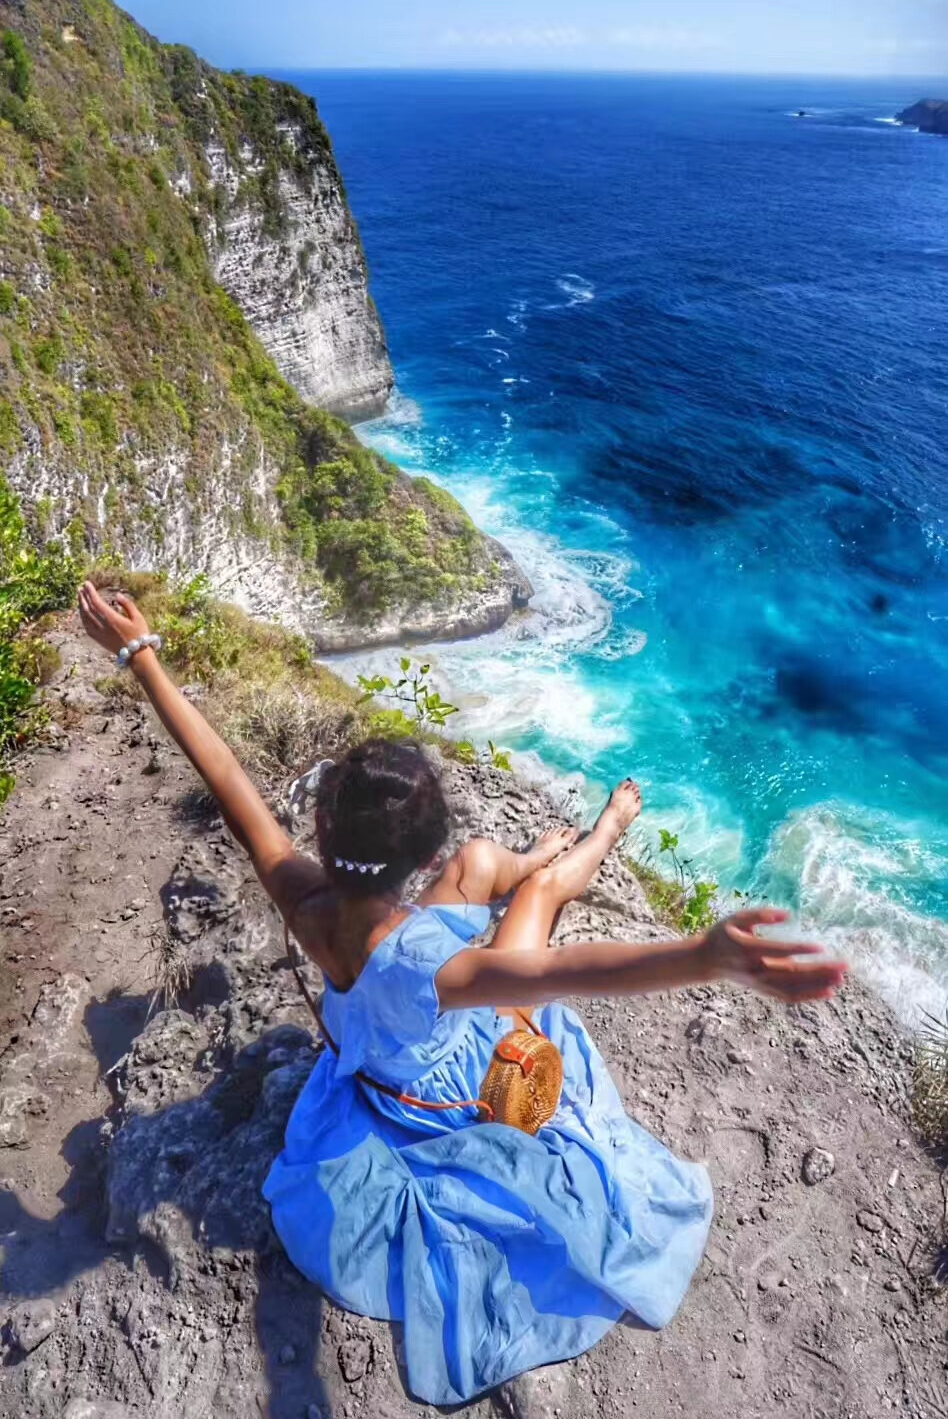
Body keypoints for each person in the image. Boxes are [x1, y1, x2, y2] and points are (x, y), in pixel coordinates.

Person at [78, 581, 847, 1405]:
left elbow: (224, 773)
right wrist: (706, 955)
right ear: (417, 859)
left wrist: (140, 654)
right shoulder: (434, 968)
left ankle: (538, 856)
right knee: (541, 898)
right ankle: (598, 838)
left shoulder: (302, 898)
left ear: (326, 835)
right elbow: (567, 973)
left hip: (373, 1045)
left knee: (490, 863)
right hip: (446, 1087)